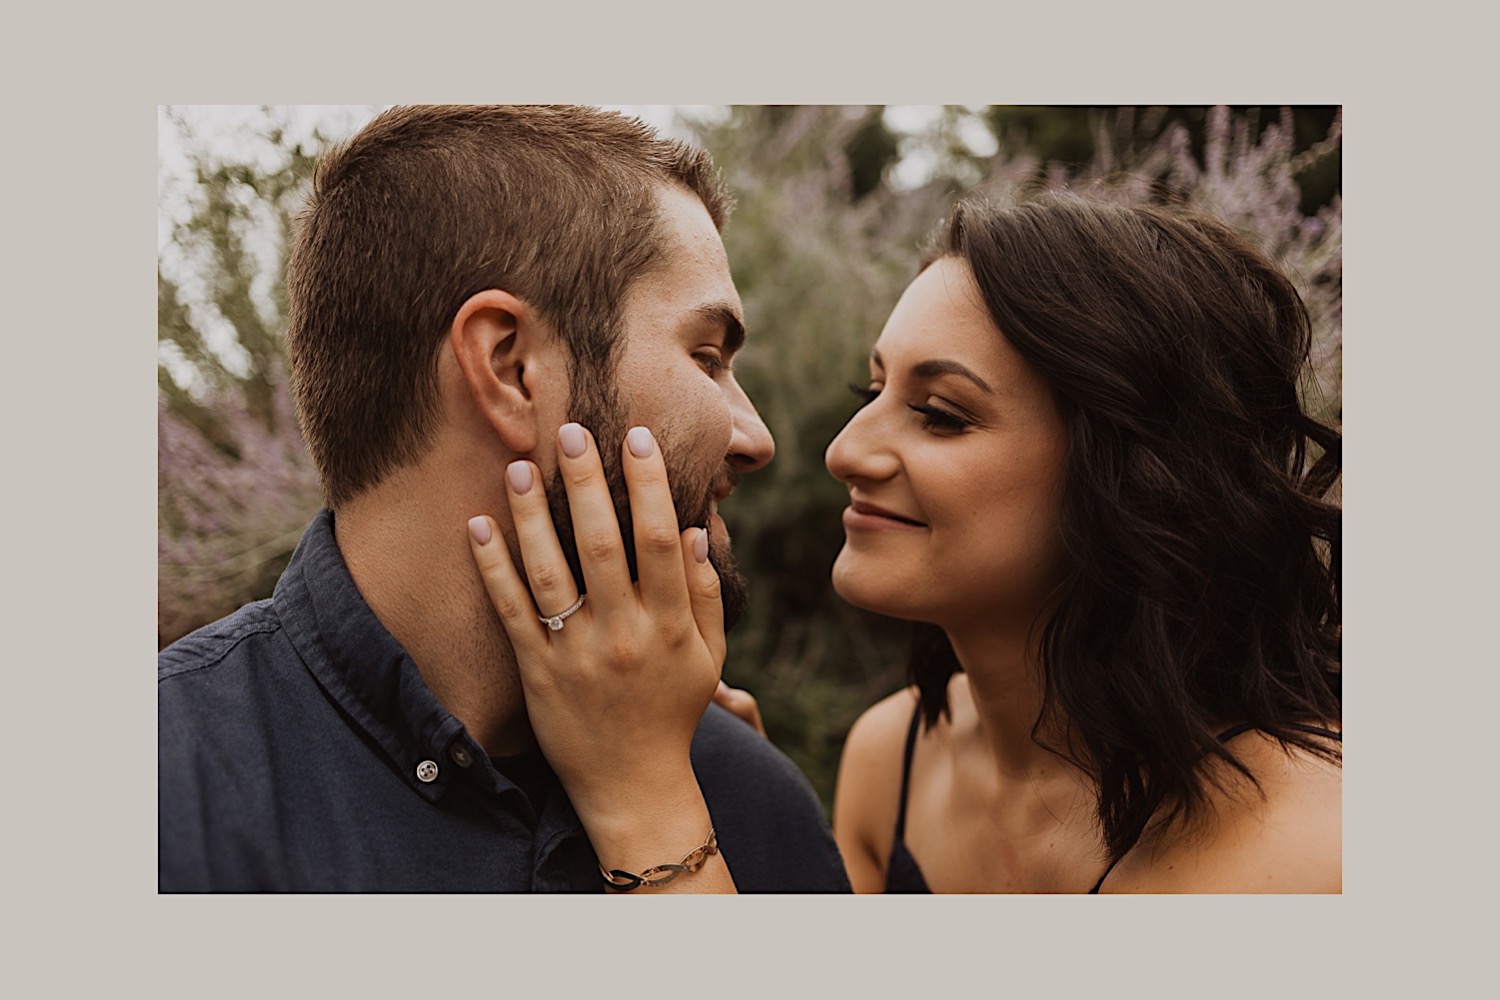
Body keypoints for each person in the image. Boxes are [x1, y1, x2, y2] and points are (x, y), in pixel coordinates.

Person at [469, 192, 1342, 893]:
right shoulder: (892, 758)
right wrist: (743, 811)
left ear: (1133, 472)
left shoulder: (1312, 851)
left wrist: (647, 803)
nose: (843, 450)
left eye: (940, 415)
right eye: (871, 388)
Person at [157, 105, 850, 893]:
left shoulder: (749, 805)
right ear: (512, 367)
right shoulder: (165, 793)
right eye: (707, 355)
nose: (755, 437)